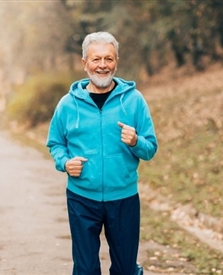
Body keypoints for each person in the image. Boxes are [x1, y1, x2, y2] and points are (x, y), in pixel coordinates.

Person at [46, 31, 158, 275]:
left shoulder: (134, 100)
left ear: (116, 61)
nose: (102, 66)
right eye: (96, 59)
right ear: (85, 63)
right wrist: (64, 163)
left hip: (124, 197)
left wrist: (136, 141)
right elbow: (55, 143)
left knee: (125, 270)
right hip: (81, 197)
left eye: (109, 59)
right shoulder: (67, 104)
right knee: (85, 270)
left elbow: (150, 149)